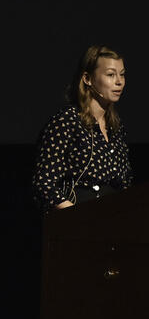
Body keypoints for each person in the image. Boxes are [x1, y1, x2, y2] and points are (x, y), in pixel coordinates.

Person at [32, 44, 133, 214]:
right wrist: (79, 217)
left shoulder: (116, 126)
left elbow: (126, 182)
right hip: (77, 223)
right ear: (87, 79)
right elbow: (43, 183)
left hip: (112, 220)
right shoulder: (67, 120)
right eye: (110, 75)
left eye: (122, 75)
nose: (119, 81)